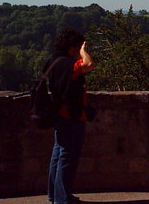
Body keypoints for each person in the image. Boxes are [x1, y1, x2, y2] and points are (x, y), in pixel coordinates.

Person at [47, 27, 95, 204]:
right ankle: (62, 199)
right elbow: (89, 64)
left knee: (58, 155)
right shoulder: (68, 64)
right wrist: (83, 51)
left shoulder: (54, 60)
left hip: (59, 114)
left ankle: (54, 195)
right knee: (67, 157)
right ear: (73, 46)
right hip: (71, 115)